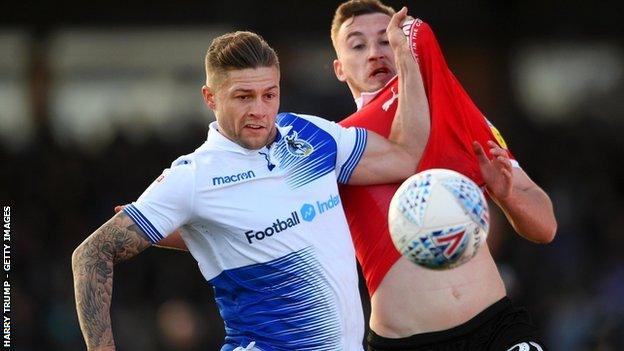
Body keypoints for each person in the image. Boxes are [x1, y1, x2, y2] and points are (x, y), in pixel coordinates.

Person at [72, 12, 430, 351]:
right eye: (243, 97)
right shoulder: (193, 177)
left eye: (269, 95)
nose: (259, 110)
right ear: (210, 98)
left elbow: (406, 156)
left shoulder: (311, 134)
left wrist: (406, 57)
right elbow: (90, 255)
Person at [331, 1, 557, 350]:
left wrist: (506, 194)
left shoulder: (449, 105)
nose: (376, 53)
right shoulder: (336, 144)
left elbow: (545, 227)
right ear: (339, 68)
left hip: (496, 329)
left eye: (388, 41)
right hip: (407, 342)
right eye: (359, 45)